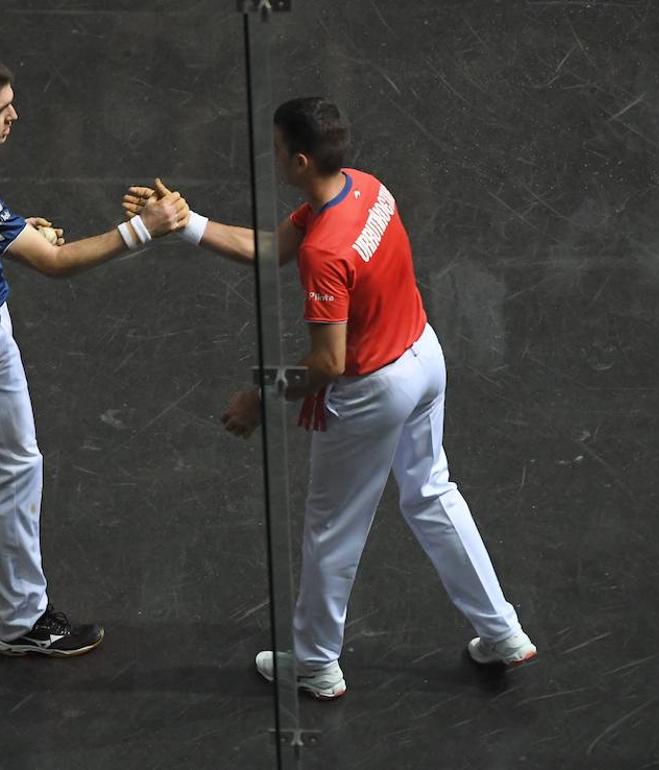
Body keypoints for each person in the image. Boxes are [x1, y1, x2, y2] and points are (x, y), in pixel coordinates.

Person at [123, 97, 535, 698]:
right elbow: (268, 248)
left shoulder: (326, 252)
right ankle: (501, 632)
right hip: (425, 357)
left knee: (333, 529)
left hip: (375, 389)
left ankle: (315, 662)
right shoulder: (367, 189)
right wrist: (184, 223)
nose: (270, 156)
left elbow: (328, 364)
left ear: (297, 159)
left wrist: (258, 396)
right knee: (431, 493)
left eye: (275, 148)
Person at [0, 51, 189, 658]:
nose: (15, 115)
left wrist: (7, 235)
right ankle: (25, 620)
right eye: (1, 111)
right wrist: (144, 228)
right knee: (16, 466)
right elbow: (53, 263)